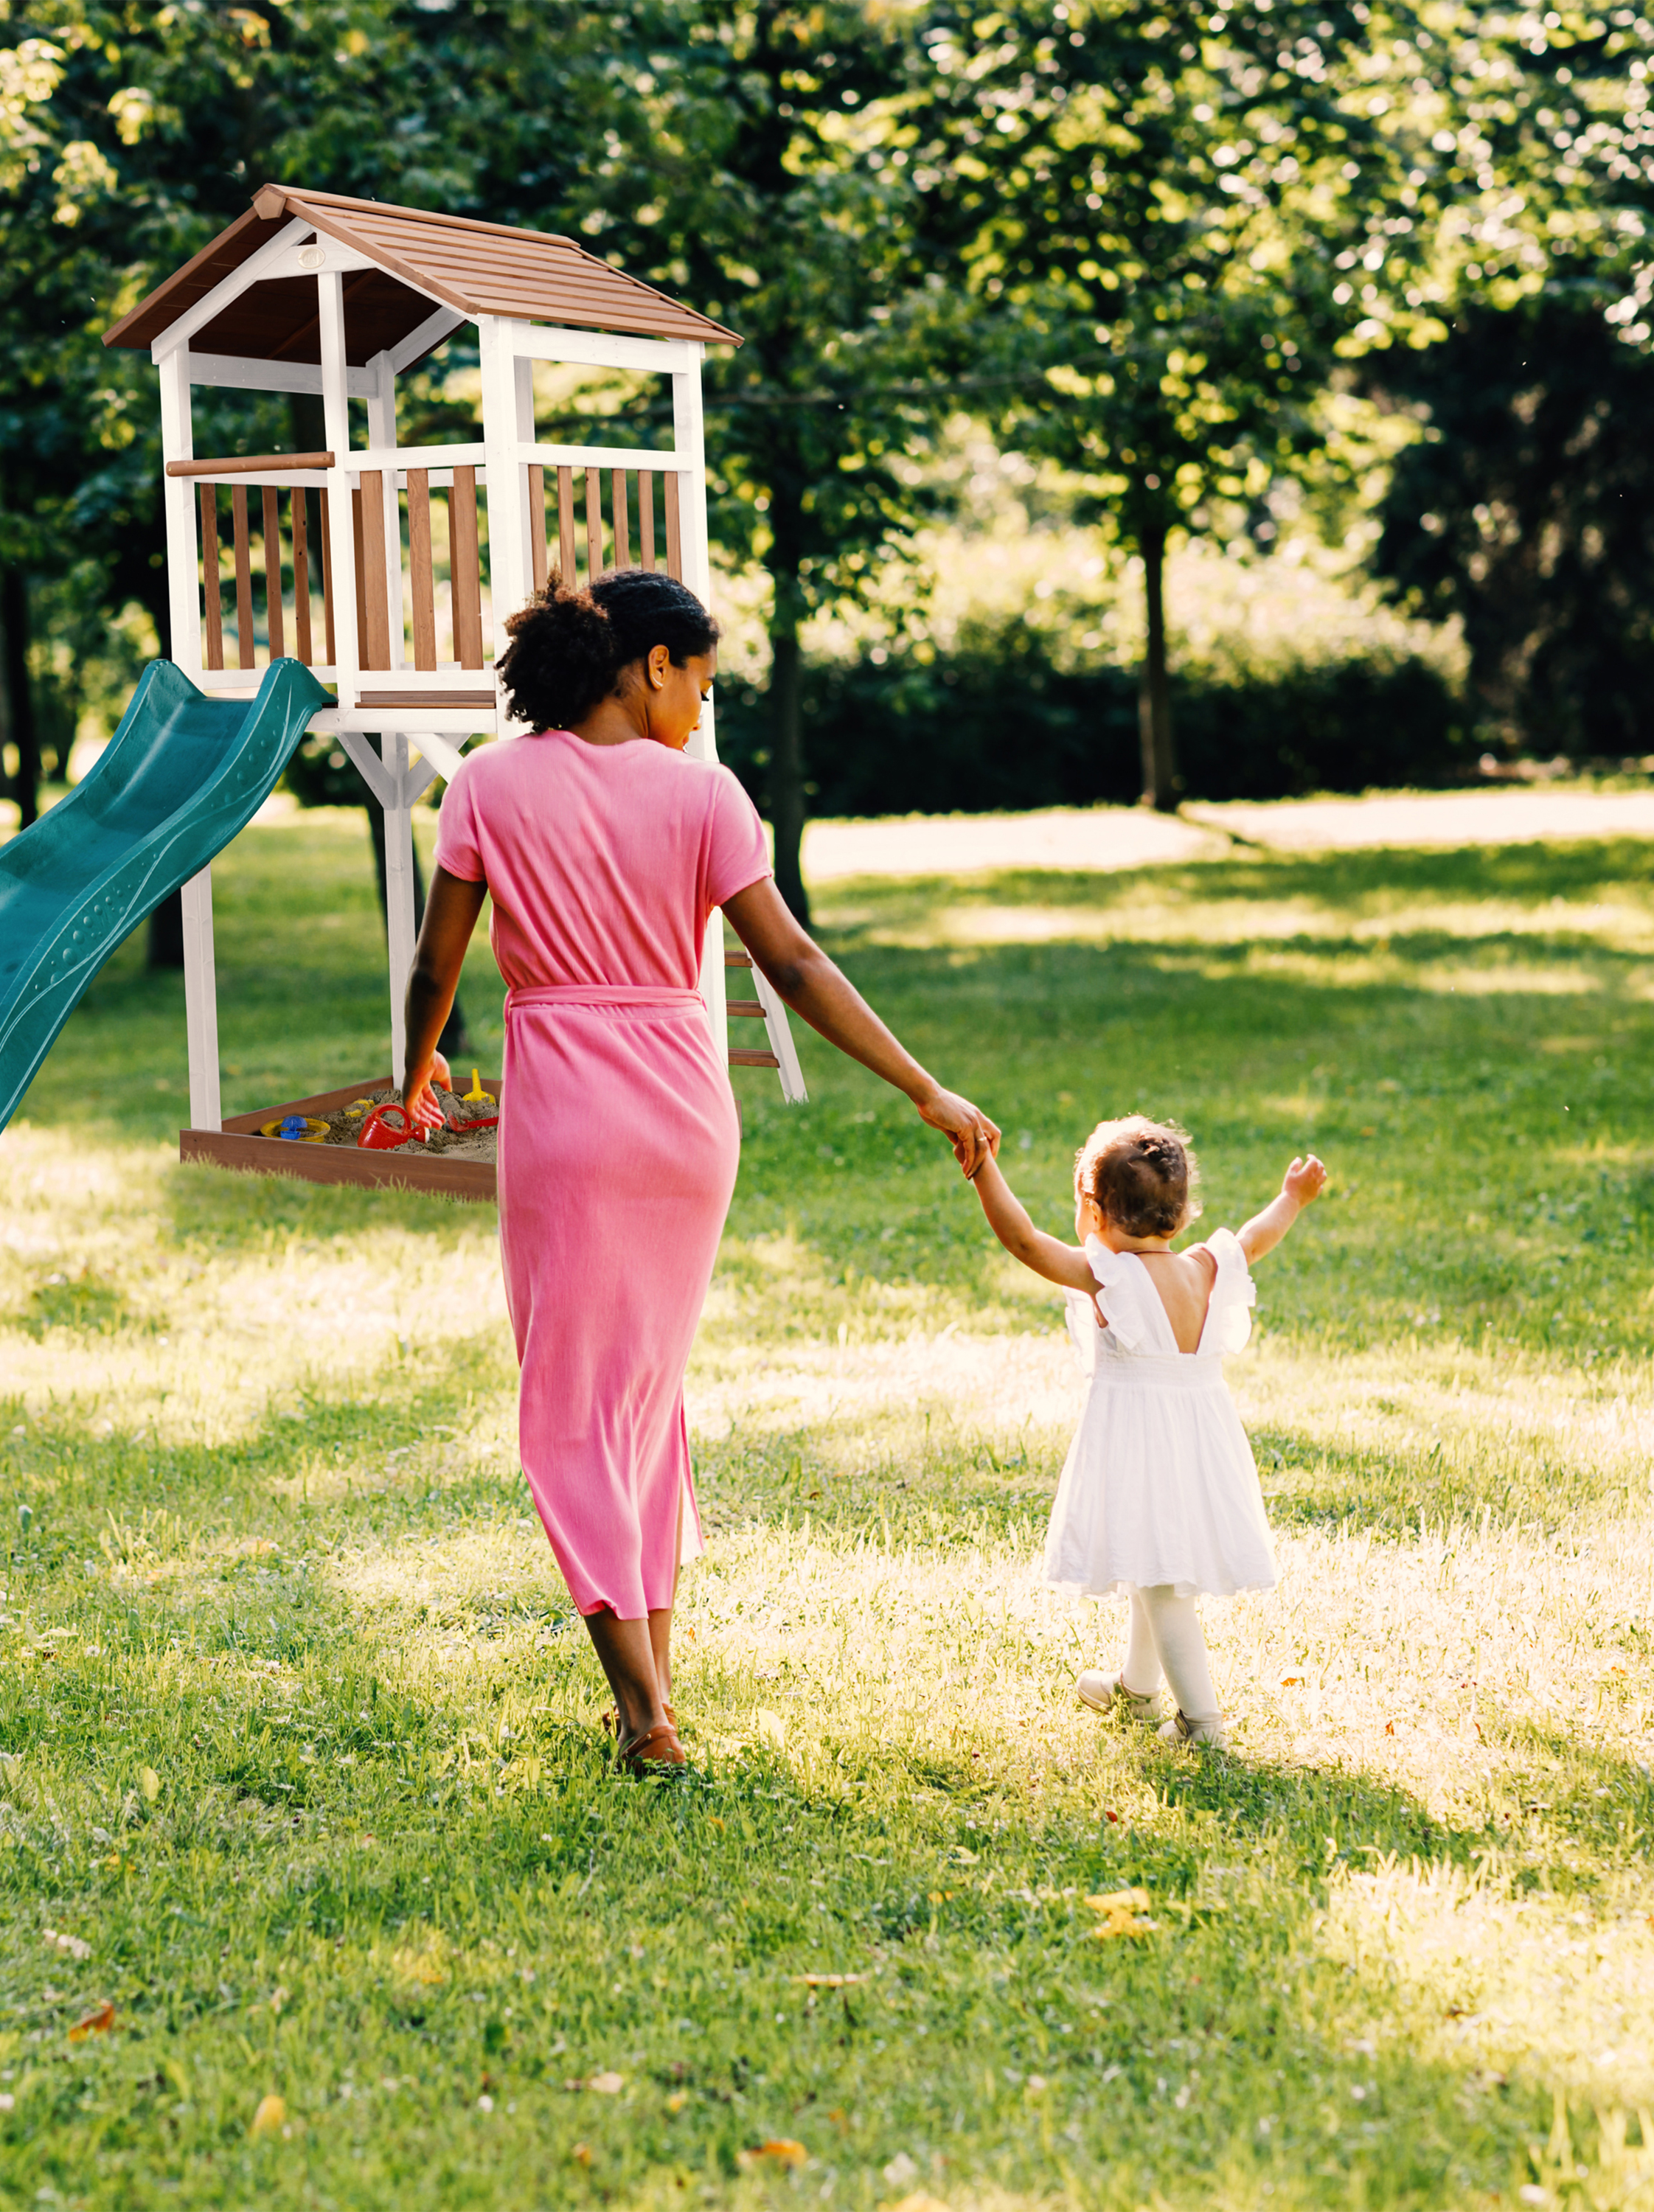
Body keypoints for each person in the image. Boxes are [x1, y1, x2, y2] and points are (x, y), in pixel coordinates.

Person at [397, 570, 999, 1773]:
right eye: (702, 684)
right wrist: (922, 1084)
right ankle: (653, 1692)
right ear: (651, 665)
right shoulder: (707, 797)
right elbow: (794, 963)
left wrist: (411, 1075)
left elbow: (436, 966)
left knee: (572, 1410)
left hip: (566, 1117)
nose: (702, 711)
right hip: (684, 1118)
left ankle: (641, 1712)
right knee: (641, 1400)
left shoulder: (486, 784)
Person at [966, 1114, 1328, 1747]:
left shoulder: (1109, 1277)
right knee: (1148, 1560)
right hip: (1199, 1444)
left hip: (1142, 1446)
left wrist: (982, 1167)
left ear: (1094, 1213)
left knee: (1162, 1585)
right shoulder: (1207, 1266)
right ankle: (1137, 1689)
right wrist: (1291, 1198)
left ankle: (1202, 1724)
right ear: (1182, 1214)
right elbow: (1256, 1235)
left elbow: (1023, 1241)